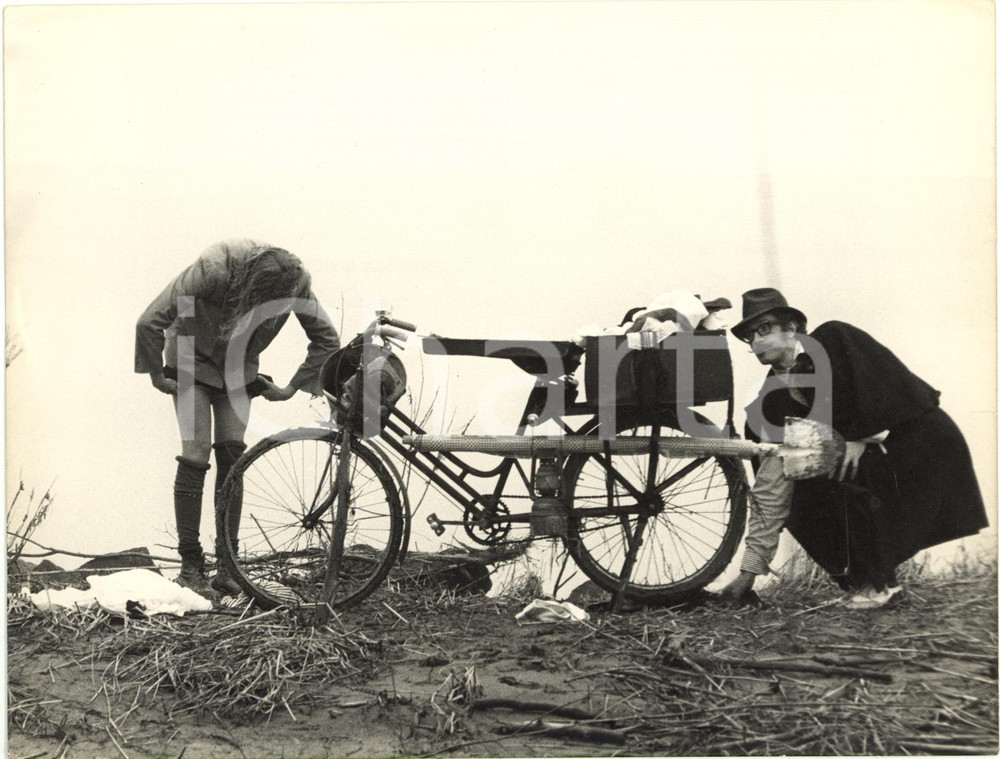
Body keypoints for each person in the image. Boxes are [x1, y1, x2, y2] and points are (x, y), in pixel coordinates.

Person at [721, 288, 987, 609]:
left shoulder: (834, 340)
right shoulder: (769, 405)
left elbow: (890, 387)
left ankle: (881, 586)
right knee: (800, 489)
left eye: (764, 329)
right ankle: (864, 582)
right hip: (859, 463)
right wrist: (748, 572)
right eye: (750, 336)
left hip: (915, 444)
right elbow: (771, 487)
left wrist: (863, 436)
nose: (757, 341)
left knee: (846, 466)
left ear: (791, 327)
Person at [136, 240, 340, 599]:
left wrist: (291, 388)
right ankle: (191, 568)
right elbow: (150, 321)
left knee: (233, 458)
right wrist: (157, 375)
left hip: (238, 365)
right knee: (196, 452)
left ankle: (228, 567)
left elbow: (326, 340)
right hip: (189, 355)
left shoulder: (297, 284)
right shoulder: (213, 269)